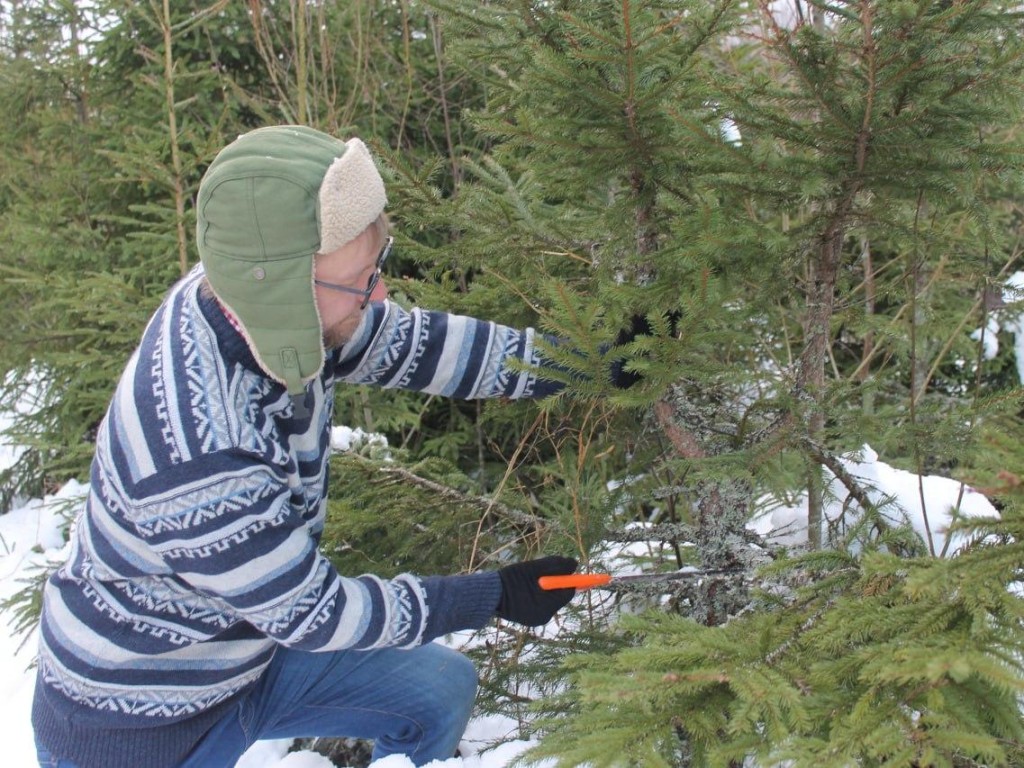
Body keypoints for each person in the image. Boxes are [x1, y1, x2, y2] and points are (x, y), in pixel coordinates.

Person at [31, 125, 583, 768]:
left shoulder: (260, 307)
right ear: (281, 289)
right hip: (141, 725)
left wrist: (578, 364)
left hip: (247, 649)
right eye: (360, 280)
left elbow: (413, 345)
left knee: (437, 690)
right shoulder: (200, 459)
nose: (378, 295)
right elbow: (317, 616)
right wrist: (492, 595)